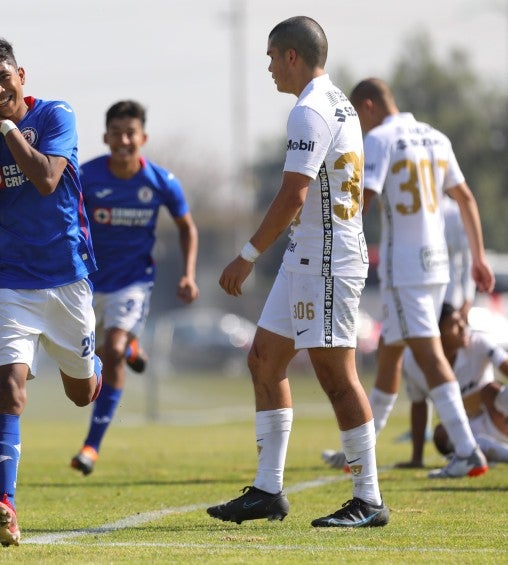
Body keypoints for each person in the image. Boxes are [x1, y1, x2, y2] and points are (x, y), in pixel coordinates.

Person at [207, 16, 389, 528]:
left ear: (292, 56)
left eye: (271, 57)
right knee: (264, 359)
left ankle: (369, 499)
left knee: (336, 375)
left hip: (327, 261)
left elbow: (294, 194)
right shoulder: (339, 102)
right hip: (307, 257)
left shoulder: (310, 109)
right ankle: (268, 489)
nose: (267, 67)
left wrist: (246, 254)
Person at [0, 37, 102, 546]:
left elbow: (45, 178)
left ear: (22, 75)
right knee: (9, 389)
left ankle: (95, 366)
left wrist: (7, 129)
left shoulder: (58, 115)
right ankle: (5, 504)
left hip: (67, 279)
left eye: (3, 78)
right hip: (9, 287)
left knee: (82, 394)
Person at [320, 77, 495, 479]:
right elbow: (466, 198)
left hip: (405, 267)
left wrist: (329, 237)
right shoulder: (436, 137)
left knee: (430, 356)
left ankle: (468, 450)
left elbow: (364, 198)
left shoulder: (380, 139)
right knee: (390, 353)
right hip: (436, 266)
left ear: (367, 106)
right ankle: (360, 451)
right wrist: (479, 257)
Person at [69, 100, 199, 476]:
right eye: (117, 133)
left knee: (112, 350)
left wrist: (188, 274)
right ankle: (132, 344)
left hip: (133, 283)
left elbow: (187, 227)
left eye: (131, 133)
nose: (124, 140)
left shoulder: (160, 181)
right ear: (105, 137)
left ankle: (91, 446)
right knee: (85, 362)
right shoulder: (87, 176)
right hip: (87, 284)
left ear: (143, 137)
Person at [399, 303, 508, 466]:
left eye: (462, 321)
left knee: (490, 390)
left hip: (499, 415)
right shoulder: (413, 361)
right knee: (441, 434)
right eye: (454, 325)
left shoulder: (478, 341)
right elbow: (419, 404)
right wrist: (416, 458)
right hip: (469, 428)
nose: (463, 328)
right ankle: (493, 454)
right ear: (436, 334)